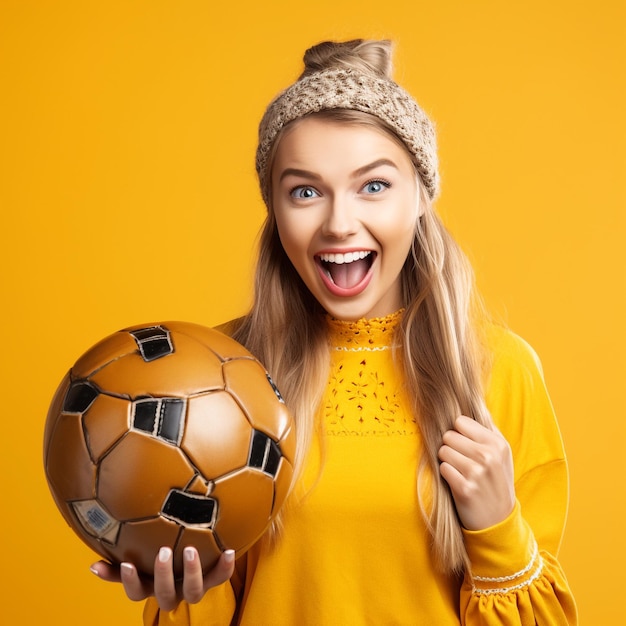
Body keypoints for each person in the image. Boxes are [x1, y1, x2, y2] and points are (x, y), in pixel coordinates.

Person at [92, 39, 578, 624]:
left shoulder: (499, 370)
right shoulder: (216, 373)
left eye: (374, 185)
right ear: (274, 207)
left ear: (422, 195)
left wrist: (498, 530)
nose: (339, 223)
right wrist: (184, 598)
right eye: (305, 191)